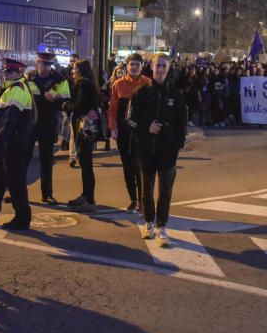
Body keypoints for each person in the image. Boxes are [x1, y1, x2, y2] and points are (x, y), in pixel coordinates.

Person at [128, 53, 187, 247]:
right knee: (146, 190)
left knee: (165, 191)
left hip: (168, 153)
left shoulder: (176, 95)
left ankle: (162, 226)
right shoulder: (141, 92)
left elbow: (182, 126)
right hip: (146, 150)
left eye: (163, 66)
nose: (160, 69)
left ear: (168, 68)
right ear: (151, 67)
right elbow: (130, 119)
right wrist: (147, 128)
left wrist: (176, 143)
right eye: (157, 66)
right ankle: (148, 223)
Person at [0, 58, 36, 230]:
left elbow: (9, 122)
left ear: (19, 72)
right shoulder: (13, 88)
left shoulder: (17, 90)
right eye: (5, 71)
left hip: (14, 142)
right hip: (12, 141)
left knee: (15, 181)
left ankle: (22, 217)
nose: (6, 74)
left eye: (10, 71)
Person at [108, 53, 151, 213]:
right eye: (131, 64)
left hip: (142, 132)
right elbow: (112, 109)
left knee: (141, 166)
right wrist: (113, 128)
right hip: (123, 132)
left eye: (137, 64)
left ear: (142, 66)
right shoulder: (118, 84)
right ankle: (133, 199)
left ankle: (143, 200)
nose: (134, 67)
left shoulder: (147, 83)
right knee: (127, 166)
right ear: (126, 66)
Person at [28, 51, 71, 205]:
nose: (45, 67)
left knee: (46, 161)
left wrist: (54, 100)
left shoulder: (59, 80)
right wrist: (42, 97)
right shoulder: (29, 77)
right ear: (37, 62)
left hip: (48, 123)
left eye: (48, 64)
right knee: (23, 160)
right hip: (30, 123)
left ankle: (47, 194)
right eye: (42, 63)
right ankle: (16, 192)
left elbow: (65, 100)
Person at [66, 59, 102, 212]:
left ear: (80, 70)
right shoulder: (88, 83)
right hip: (87, 127)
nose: (72, 71)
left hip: (85, 128)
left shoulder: (83, 84)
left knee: (86, 164)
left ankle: (90, 199)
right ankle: (86, 195)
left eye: (74, 68)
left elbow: (79, 105)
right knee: (85, 163)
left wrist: (65, 105)